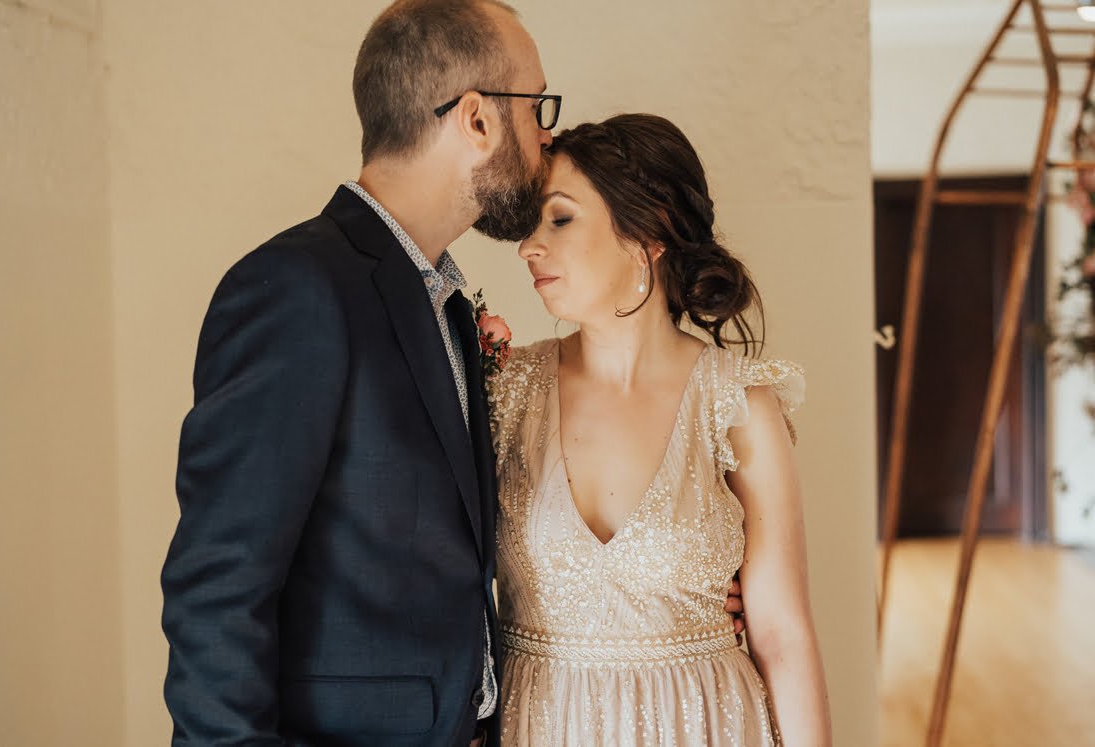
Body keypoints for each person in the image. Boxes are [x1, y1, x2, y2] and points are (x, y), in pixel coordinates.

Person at [160, 2, 554, 744]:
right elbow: (217, 589)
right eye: (537, 107)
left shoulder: (443, 301)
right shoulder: (296, 289)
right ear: (476, 119)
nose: (547, 134)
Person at [489, 113, 832, 746]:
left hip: (706, 725)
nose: (528, 247)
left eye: (560, 219)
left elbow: (783, 637)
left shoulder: (738, 405)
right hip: (539, 725)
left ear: (649, 231)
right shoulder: (506, 391)